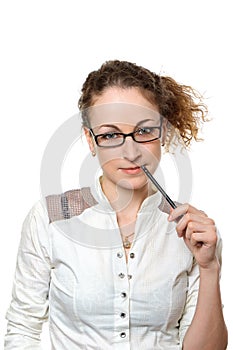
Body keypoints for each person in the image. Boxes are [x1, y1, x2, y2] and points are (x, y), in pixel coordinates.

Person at [5, 60, 228, 349]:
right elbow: (22, 329)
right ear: (90, 140)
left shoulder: (195, 231)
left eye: (144, 131)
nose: (131, 151)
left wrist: (209, 267)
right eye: (110, 135)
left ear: (162, 132)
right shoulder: (50, 218)